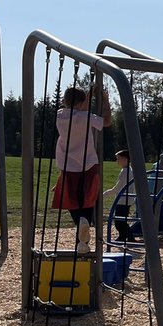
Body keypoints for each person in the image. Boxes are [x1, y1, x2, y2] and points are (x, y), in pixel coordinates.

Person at [53, 85, 111, 254]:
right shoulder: (87, 117)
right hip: (88, 163)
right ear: (82, 103)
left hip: (67, 165)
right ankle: (83, 234)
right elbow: (106, 121)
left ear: (64, 101)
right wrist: (105, 100)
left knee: (70, 199)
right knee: (89, 197)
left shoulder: (60, 115)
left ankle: (80, 225)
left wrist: (88, 95)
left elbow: (77, 109)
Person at [104, 149, 139, 244]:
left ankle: (129, 237)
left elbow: (118, 187)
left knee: (120, 221)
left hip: (123, 199)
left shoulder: (125, 171)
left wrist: (106, 194)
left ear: (125, 159)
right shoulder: (129, 170)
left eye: (118, 159)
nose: (117, 161)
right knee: (121, 219)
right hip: (126, 199)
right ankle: (123, 236)